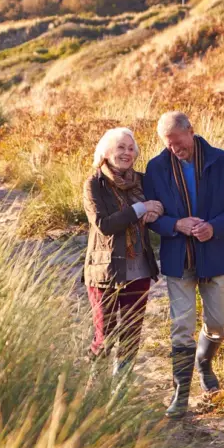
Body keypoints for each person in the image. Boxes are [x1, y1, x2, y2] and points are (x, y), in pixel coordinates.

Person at [143, 112, 224, 418]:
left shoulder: (223, 161)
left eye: (179, 142)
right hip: (179, 259)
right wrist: (175, 224)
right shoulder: (156, 168)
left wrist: (214, 227)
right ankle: (180, 394)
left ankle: (204, 362)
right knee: (180, 328)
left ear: (191, 131)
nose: (175, 150)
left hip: (216, 255)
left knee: (219, 323)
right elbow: (152, 218)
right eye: (169, 145)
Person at [82, 127, 163, 377]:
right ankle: (94, 383)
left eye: (130, 148)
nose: (126, 153)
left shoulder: (142, 180)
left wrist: (155, 211)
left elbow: (159, 205)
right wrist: (140, 209)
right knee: (104, 334)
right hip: (104, 270)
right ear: (106, 152)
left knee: (131, 332)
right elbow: (104, 225)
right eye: (120, 147)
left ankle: (121, 390)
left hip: (139, 268)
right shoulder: (95, 183)